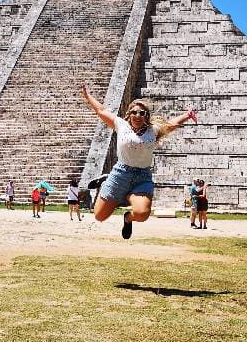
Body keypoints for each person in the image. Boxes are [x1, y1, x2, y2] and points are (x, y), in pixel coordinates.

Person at [80, 84, 198, 239]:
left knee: (142, 214)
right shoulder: (121, 125)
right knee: (99, 216)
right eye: (134, 112)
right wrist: (88, 97)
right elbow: (101, 111)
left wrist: (187, 115)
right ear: (129, 114)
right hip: (120, 174)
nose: (138, 115)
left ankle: (127, 218)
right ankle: (106, 180)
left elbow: (171, 125)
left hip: (142, 177)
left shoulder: (153, 130)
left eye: (142, 113)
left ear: (146, 116)